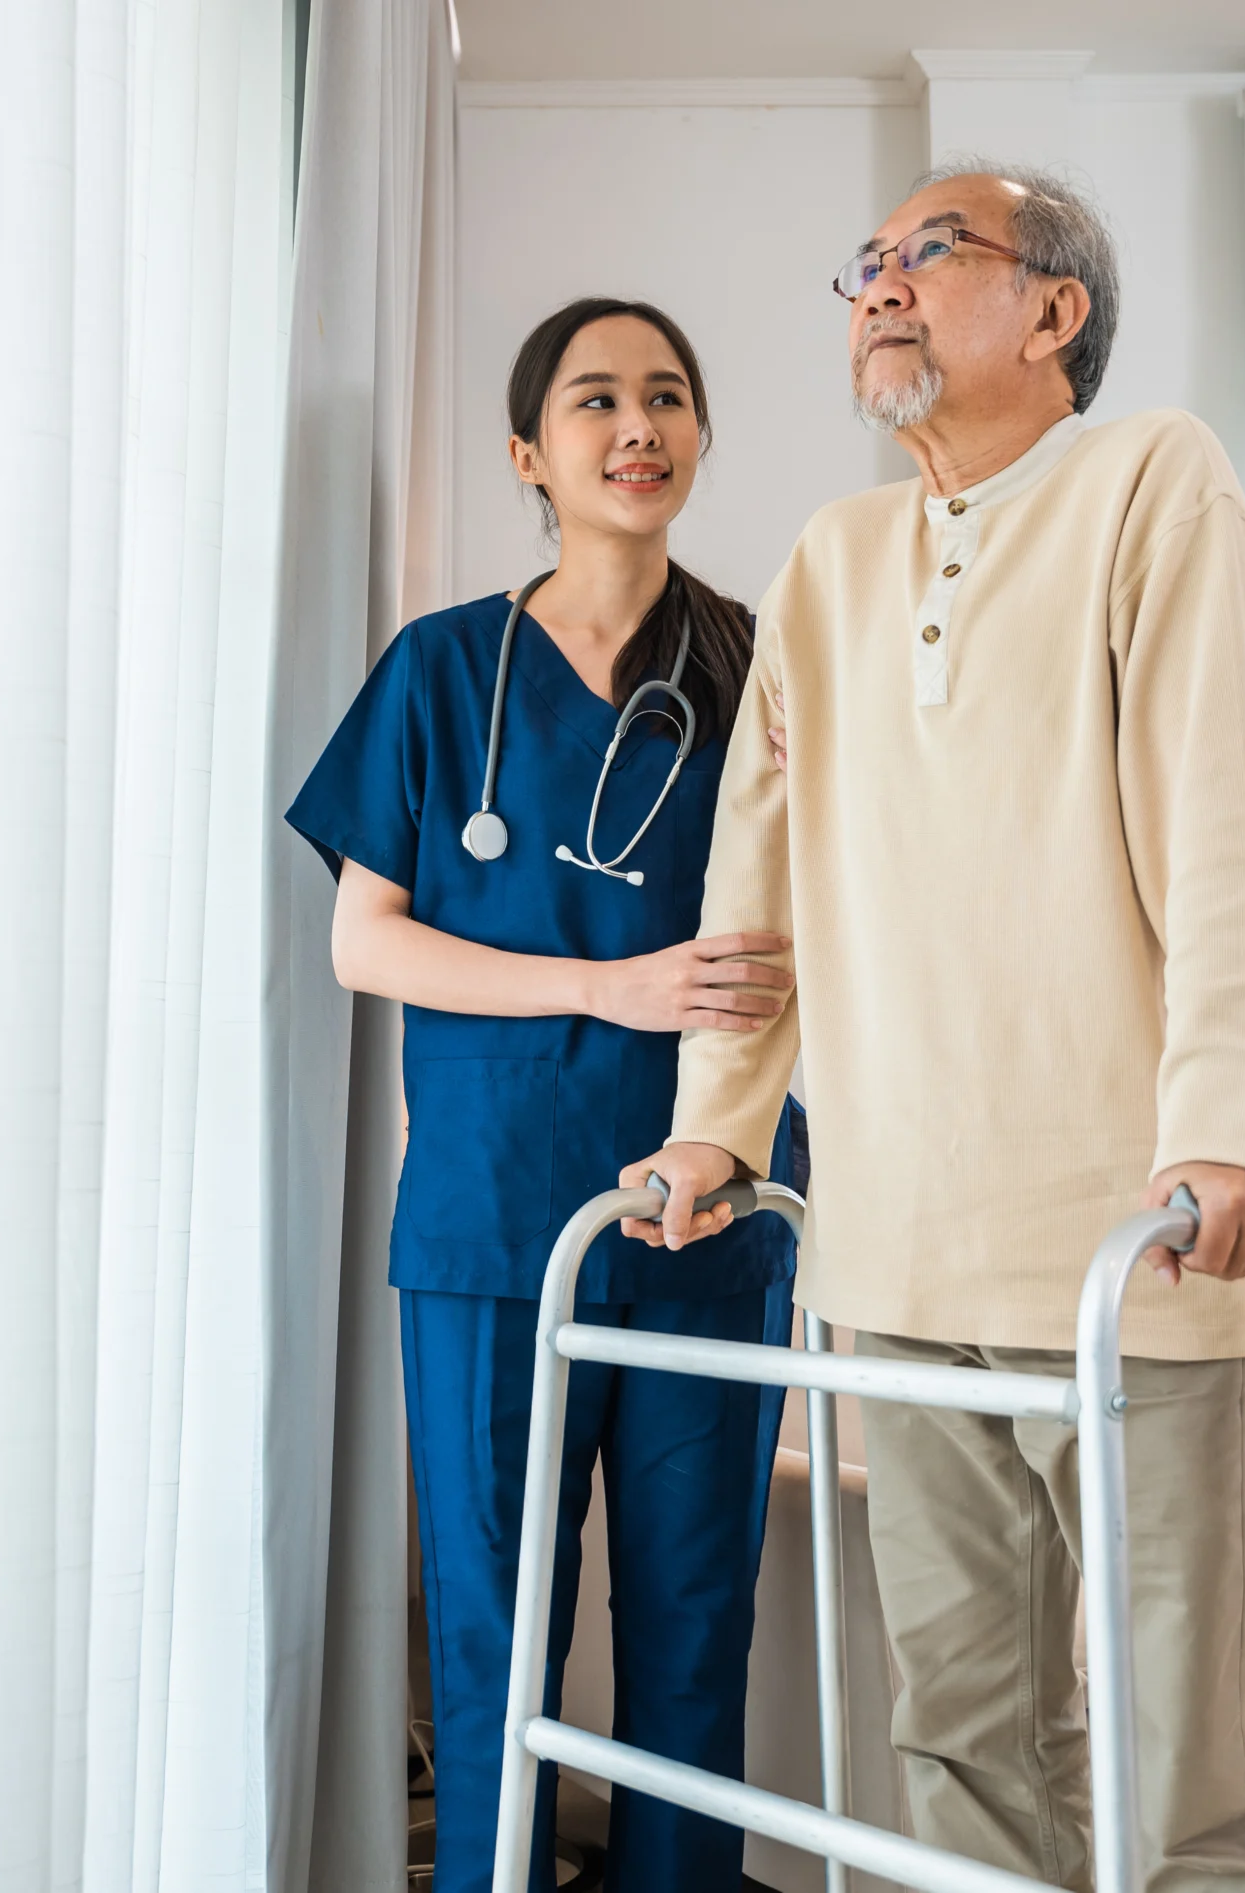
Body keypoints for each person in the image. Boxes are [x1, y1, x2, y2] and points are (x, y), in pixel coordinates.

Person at [624, 161, 1245, 1893]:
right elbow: (752, 877)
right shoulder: (831, 558)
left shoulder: (1155, 480)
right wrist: (720, 1119)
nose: (877, 286)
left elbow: (1221, 819)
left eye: (926, 253)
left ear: (1053, 310)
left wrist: (1231, 1124)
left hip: (1137, 1248)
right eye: (859, 263)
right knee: (963, 1733)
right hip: (899, 1247)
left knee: (1194, 1775)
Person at [286, 298, 802, 1893]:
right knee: (494, 1640)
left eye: (667, 397)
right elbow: (361, 943)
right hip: (493, 1218)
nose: (636, 425)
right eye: (596, 400)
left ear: (701, 440)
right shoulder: (446, 669)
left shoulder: (764, 669)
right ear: (531, 451)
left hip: (707, 1216)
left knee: (693, 1633)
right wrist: (603, 986)